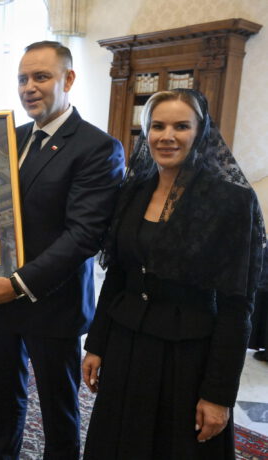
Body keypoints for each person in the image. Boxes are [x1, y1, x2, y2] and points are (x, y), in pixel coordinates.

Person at [81, 89, 265, 459]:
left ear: (201, 132)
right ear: (146, 133)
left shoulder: (231, 201)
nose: (167, 136)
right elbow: (117, 275)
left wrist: (218, 395)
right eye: (157, 126)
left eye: (181, 126)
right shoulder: (133, 190)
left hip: (187, 357)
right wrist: (96, 344)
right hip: (127, 346)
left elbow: (237, 306)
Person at [0, 41, 125, 459]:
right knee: (2, 398)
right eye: (23, 78)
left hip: (52, 300)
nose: (29, 87)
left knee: (59, 411)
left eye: (41, 77)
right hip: (0, 298)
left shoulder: (97, 147)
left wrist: (18, 284)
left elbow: (83, 235)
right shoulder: (9, 139)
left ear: (68, 79)